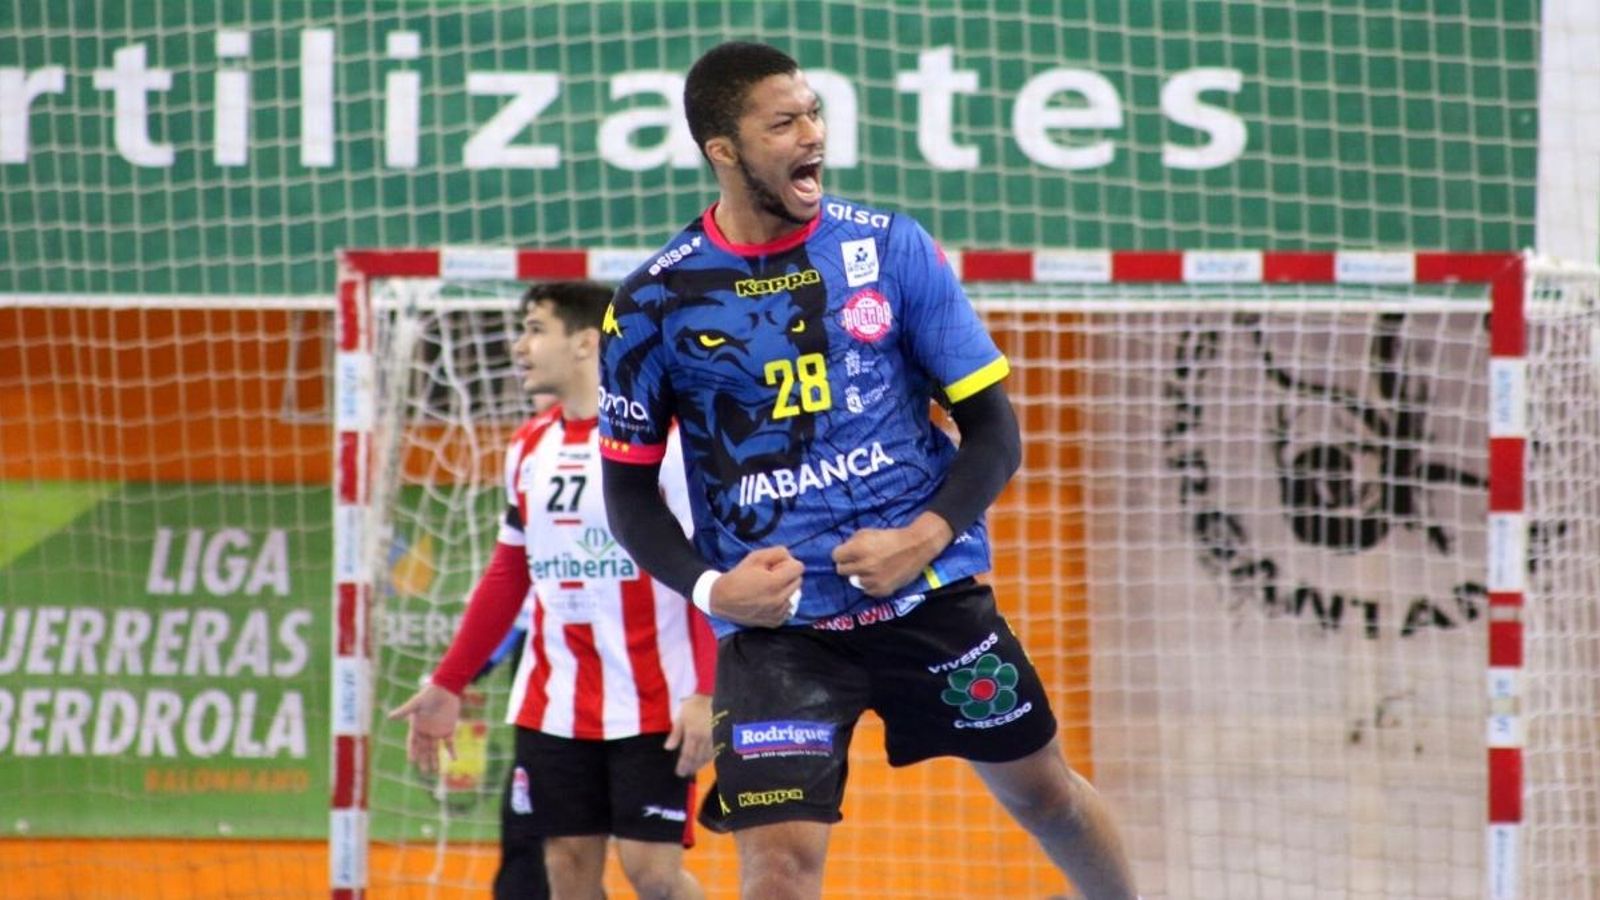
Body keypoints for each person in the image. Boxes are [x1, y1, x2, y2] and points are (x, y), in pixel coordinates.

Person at [596, 42, 1140, 900]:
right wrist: (713, 591)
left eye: (813, 112)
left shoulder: (891, 247)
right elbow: (627, 493)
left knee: (1044, 796)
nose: (812, 134)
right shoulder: (652, 301)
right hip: (779, 634)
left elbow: (995, 434)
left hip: (930, 597)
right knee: (777, 869)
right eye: (784, 123)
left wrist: (921, 539)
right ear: (723, 150)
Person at [390, 281, 716, 900]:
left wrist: (706, 690)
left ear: (586, 342)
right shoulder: (528, 447)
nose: (519, 346)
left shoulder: (668, 443)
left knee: (653, 875)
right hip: (554, 701)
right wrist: (449, 682)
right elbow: (507, 574)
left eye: (536, 329)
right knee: (566, 870)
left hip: (655, 700)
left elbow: (704, 572)